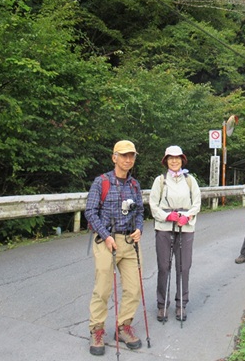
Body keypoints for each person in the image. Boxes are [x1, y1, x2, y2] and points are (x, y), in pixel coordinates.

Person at [85, 140, 145, 356]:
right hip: (106, 242)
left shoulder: (134, 185)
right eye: (124, 155)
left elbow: (140, 211)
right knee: (103, 288)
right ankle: (97, 330)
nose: (128, 159)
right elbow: (90, 211)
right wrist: (105, 235)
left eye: (131, 156)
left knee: (134, 288)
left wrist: (139, 229)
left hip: (130, 242)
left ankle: (123, 326)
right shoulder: (101, 182)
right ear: (114, 158)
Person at [149, 146, 201, 323]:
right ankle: (162, 304)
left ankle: (181, 304)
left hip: (185, 227)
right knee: (164, 266)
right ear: (166, 161)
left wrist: (187, 216)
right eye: (170, 158)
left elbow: (197, 203)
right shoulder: (160, 180)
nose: (174, 161)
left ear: (182, 160)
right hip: (164, 227)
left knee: (183, 266)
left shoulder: (190, 180)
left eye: (177, 158)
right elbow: (153, 204)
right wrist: (166, 216)